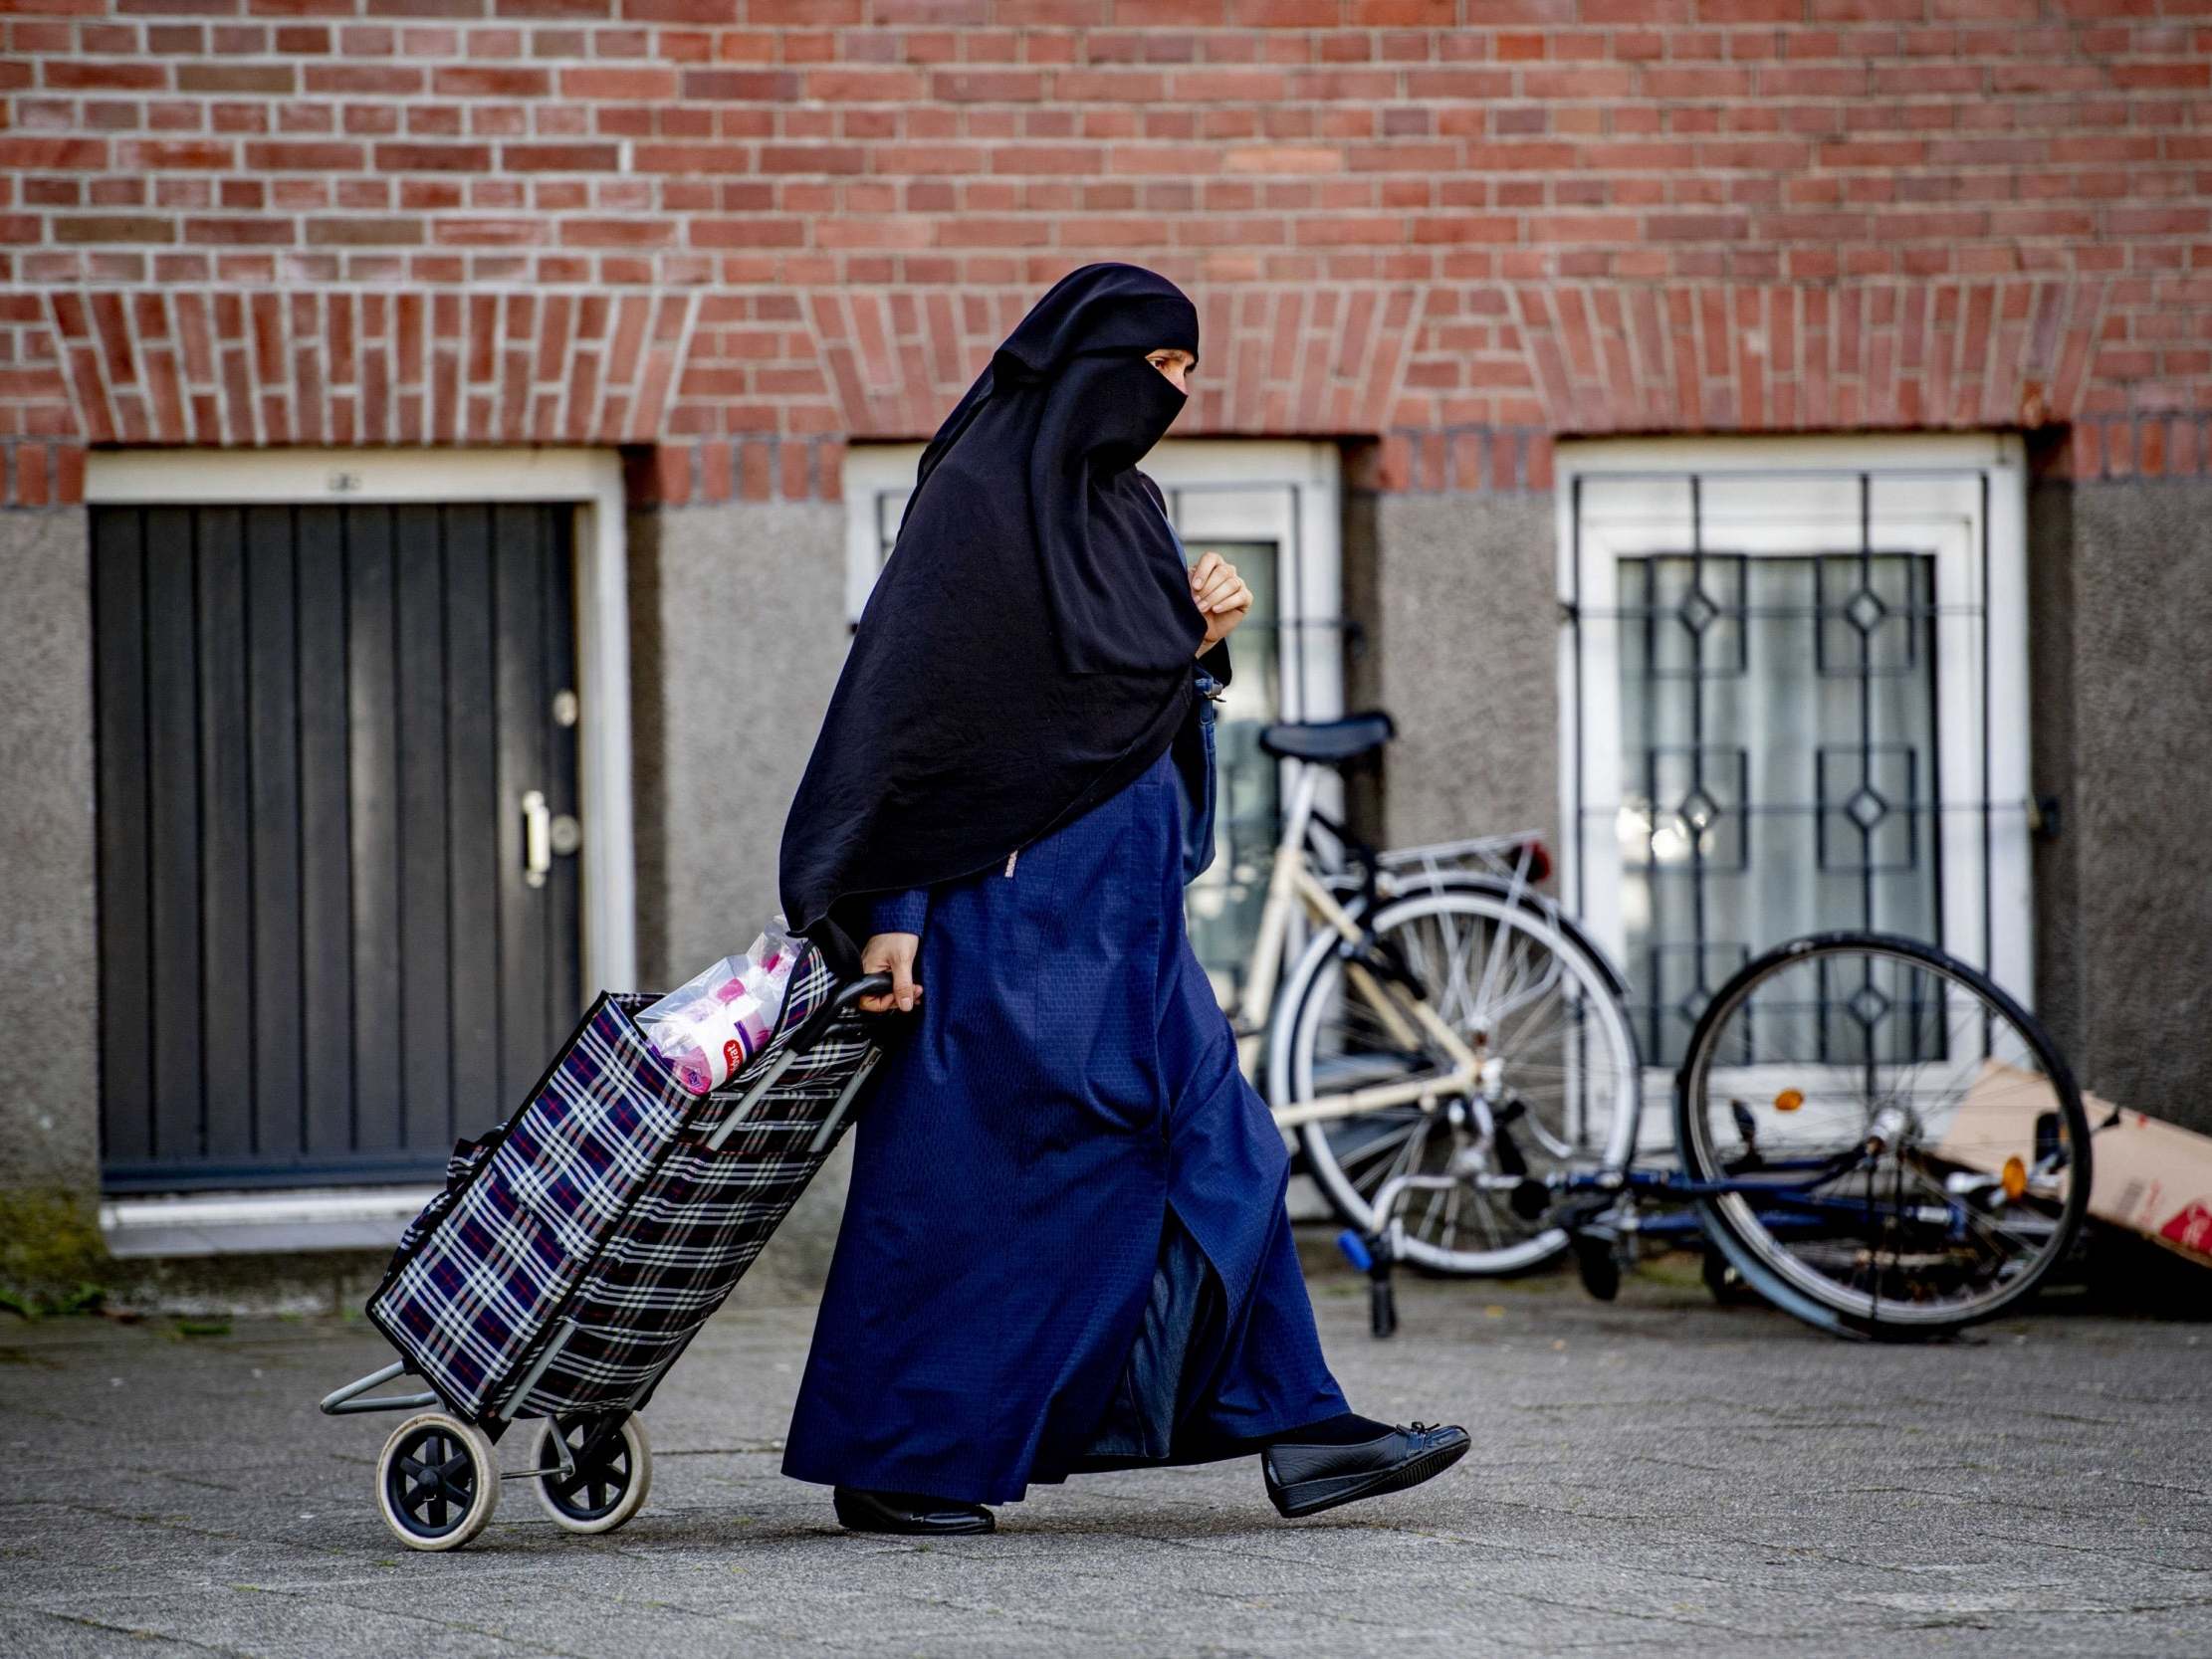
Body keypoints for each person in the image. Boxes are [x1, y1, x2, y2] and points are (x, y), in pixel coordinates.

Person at [775, 263, 1467, 1536]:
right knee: (978, 1187)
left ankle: (1299, 1423)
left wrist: (1202, 644)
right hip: (1004, 925)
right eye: (1163, 368)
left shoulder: (1128, 506)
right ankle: (897, 1459)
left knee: (1225, 1146)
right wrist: (896, 912)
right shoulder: (974, 507)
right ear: (1091, 362)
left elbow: (1128, 704)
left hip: (1131, 925)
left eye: (1192, 373)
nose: (1181, 395)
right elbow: (911, 733)